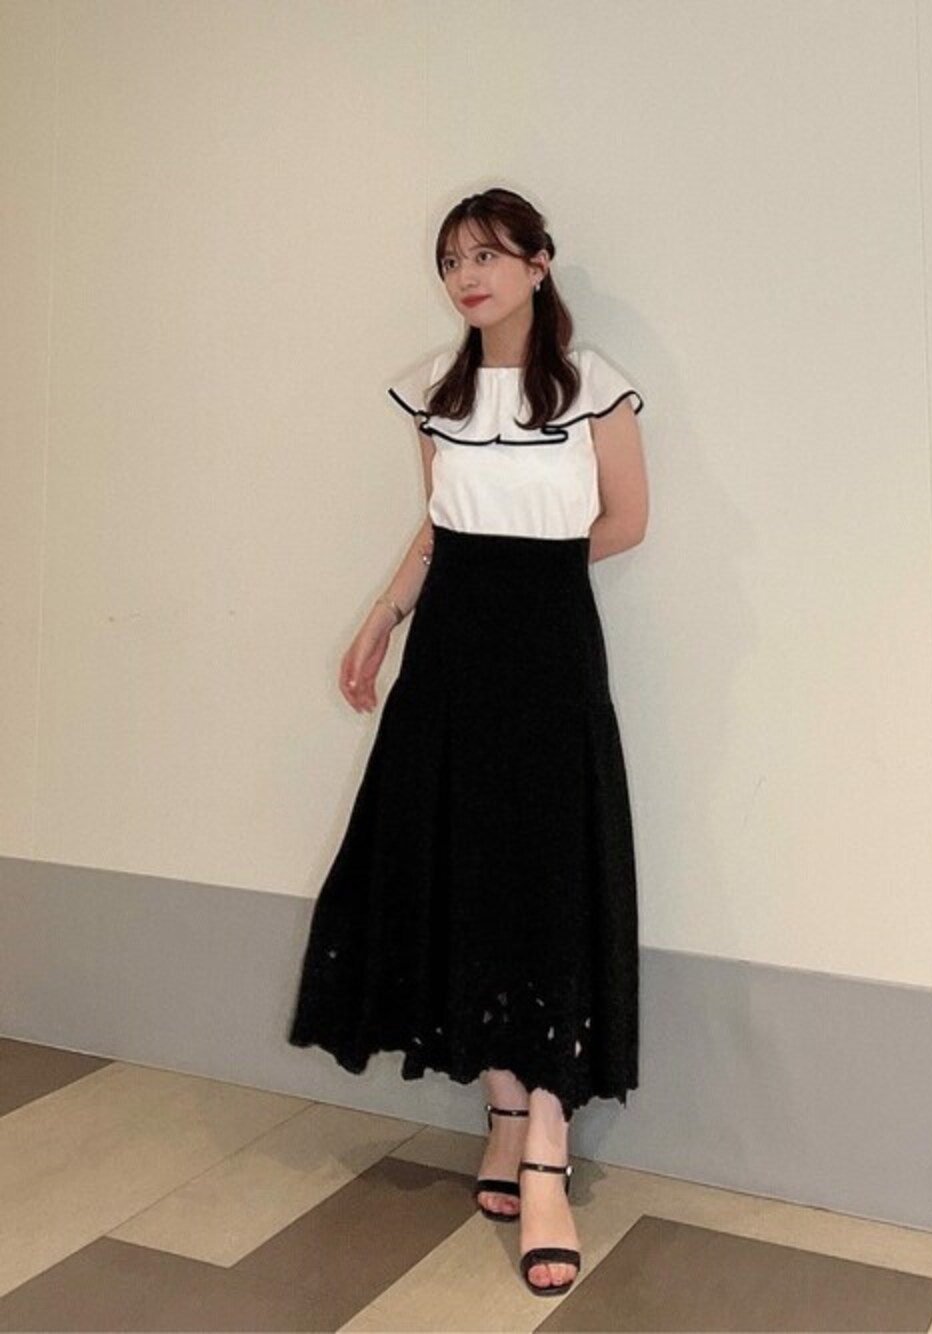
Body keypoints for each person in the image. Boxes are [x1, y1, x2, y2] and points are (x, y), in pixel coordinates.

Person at [287, 186, 648, 1297]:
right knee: (465, 869)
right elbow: (440, 526)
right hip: (449, 656)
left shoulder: (593, 385)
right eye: (451, 260)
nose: (466, 277)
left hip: (547, 651)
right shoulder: (435, 391)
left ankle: (545, 1148)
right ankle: (501, 1112)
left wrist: (525, 574)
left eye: (487, 255)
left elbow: (628, 519)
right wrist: (383, 617)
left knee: (547, 879)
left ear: (539, 264)